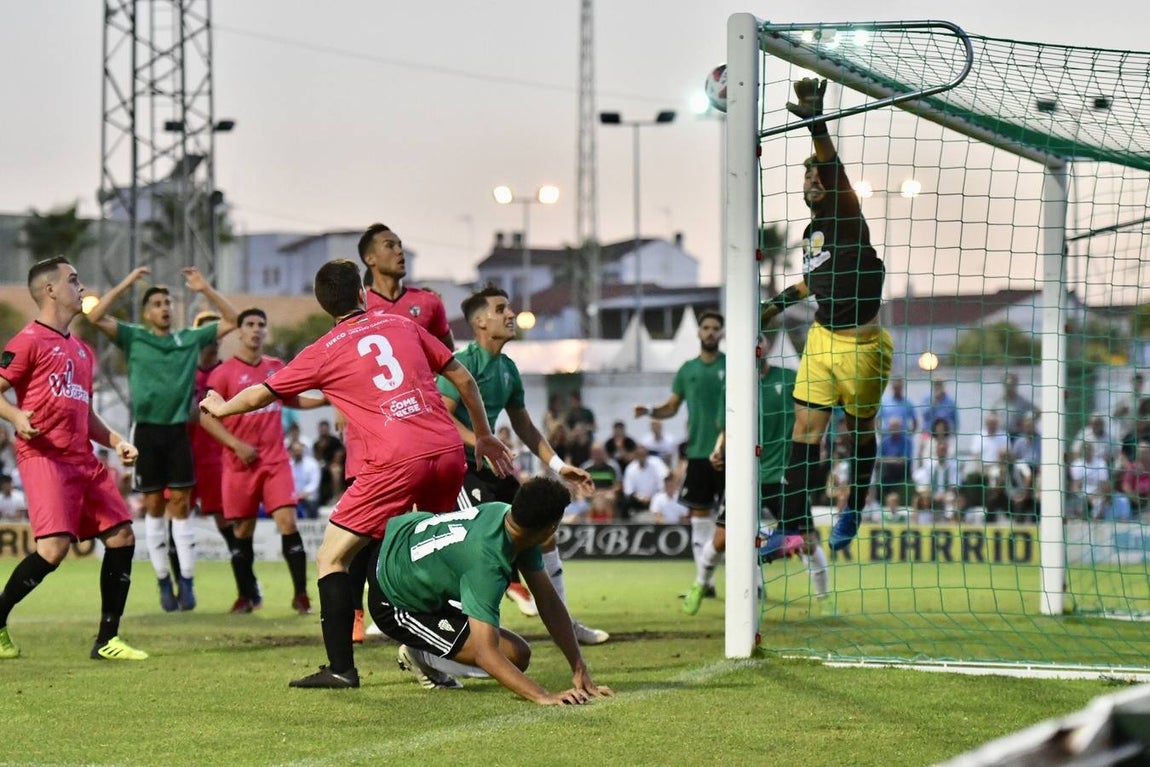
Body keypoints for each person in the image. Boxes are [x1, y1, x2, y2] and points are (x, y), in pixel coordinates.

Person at [199, 259, 511, 689]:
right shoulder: (400, 325)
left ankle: (342, 668)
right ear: (363, 294)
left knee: (333, 557)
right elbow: (462, 376)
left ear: (325, 305)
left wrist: (221, 407)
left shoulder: (324, 349)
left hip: (396, 461)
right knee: (434, 553)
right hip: (446, 452)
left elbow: (260, 393)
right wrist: (483, 435)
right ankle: (441, 652)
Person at [758, 78, 893, 554]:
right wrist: (772, 306)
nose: (813, 179)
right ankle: (793, 526)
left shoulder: (844, 212)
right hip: (820, 338)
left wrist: (816, 121)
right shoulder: (814, 231)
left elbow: (831, 165)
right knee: (804, 431)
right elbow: (815, 283)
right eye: (807, 176)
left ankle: (854, 505)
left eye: (819, 174)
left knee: (859, 429)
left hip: (862, 345)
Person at [438, 285, 609, 646]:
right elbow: (441, 417)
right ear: (480, 321)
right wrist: (481, 441)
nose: (510, 314)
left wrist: (559, 465)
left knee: (544, 532)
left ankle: (564, 623)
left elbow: (525, 426)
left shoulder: (508, 369)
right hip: (459, 470)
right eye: (501, 309)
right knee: (483, 544)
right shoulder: (462, 364)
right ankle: (441, 640)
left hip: (493, 467)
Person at [0, 256, 146, 661]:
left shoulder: (82, 350)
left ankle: (107, 641)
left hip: (83, 459)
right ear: (49, 290)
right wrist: (15, 415)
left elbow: (85, 412)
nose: (81, 287)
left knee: (122, 536)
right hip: (44, 457)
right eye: (73, 280)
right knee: (53, 550)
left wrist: (115, 440)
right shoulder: (28, 340)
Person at [369, 476, 613, 703]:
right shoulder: (486, 564)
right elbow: (486, 654)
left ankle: (431, 648)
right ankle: (421, 656)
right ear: (550, 528)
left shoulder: (508, 517)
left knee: (518, 655)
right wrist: (543, 696)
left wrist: (579, 668)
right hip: (394, 598)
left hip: (409, 549)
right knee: (504, 657)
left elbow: (548, 601)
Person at [86, 265, 238, 611]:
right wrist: (126, 281)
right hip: (147, 431)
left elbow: (232, 319)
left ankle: (186, 580)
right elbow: (95, 315)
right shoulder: (133, 336)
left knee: (181, 506)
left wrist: (206, 289)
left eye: (167, 302)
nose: (164, 307)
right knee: (154, 506)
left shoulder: (188, 339)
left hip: (177, 432)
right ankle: (162, 581)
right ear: (145, 312)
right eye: (156, 303)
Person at [348, 222, 456, 643]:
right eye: (389, 246)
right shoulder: (359, 304)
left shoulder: (427, 303)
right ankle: (357, 611)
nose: (399, 251)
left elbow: (449, 359)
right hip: (372, 431)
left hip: (424, 430)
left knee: (426, 524)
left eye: (400, 244)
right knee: (369, 526)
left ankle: (412, 605)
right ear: (369, 259)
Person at [683, 325, 827, 615]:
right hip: (745, 477)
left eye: (758, 340)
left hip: (784, 477)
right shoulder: (734, 386)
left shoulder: (789, 380)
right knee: (721, 540)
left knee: (807, 541)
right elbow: (726, 426)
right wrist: (718, 449)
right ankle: (701, 584)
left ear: (767, 345)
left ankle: (825, 600)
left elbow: (810, 419)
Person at [198, 308, 321, 615]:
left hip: (275, 461)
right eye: (249, 325)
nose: (255, 330)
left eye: (261, 325)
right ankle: (246, 596)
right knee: (242, 531)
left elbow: (291, 398)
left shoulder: (276, 367)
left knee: (288, 522)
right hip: (239, 464)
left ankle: (301, 596)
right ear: (239, 332)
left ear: (266, 332)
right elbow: (205, 418)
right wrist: (236, 444)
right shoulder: (223, 373)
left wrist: (326, 400)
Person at [635, 310, 726, 596]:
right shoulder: (687, 370)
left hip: (730, 455)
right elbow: (672, 407)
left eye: (715, 328)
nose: (710, 332)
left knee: (738, 520)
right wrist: (650, 410)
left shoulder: (733, 365)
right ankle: (704, 583)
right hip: (699, 453)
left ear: (722, 334)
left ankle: (754, 584)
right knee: (700, 519)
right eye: (706, 327)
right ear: (699, 333)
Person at [186, 309, 251, 610]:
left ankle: (247, 589)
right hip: (183, 455)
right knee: (176, 519)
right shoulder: (184, 373)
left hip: (216, 457)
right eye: (206, 335)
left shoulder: (225, 374)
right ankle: (180, 589)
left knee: (226, 522)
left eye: (217, 334)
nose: (212, 341)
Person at [618, 444, 669, 520]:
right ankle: (625, 525)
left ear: (647, 454)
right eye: (639, 454)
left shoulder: (656, 463)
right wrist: (641, 498)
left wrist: (653, 497)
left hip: (655, 497)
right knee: (625, 501)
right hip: (638, 500)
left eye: (643, 454)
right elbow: (628, 490)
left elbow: (664, 481)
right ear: (636, 455)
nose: (641, 457)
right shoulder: (630, 468)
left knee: (663, 498)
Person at [994, 372, 1036, 440]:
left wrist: (1028, 422)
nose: (1009, 387)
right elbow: (992, 415)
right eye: (1006, 385)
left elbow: (1037, 411)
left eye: (1011, 385)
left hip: (1017, 434)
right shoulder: (998, 402)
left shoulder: (1022, 401)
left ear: (1015, 385)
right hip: (1001, 435)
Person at [290, 440, 322, 519]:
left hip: (309, 498)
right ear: (291, 452)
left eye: (299, 450)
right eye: (295, 450)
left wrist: (304, 493)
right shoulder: (289, 465)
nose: (298, 452)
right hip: (293, 499)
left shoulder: (312, 464)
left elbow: (315, 483)